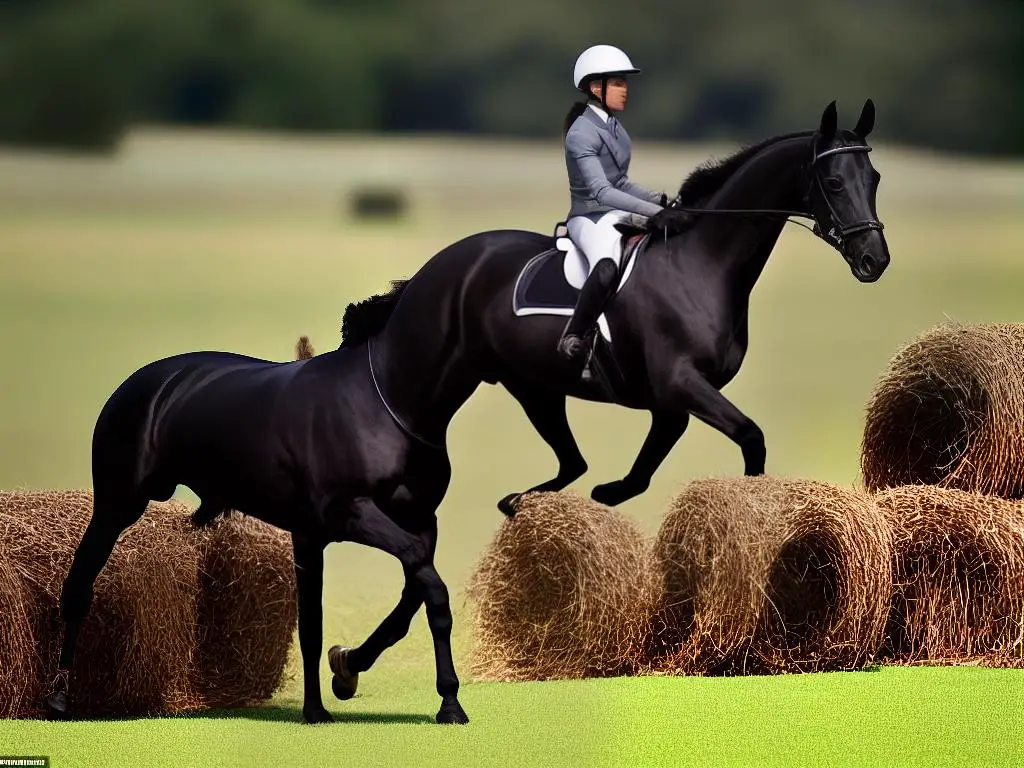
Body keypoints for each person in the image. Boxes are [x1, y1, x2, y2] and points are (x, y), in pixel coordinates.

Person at [557, 44, 693, 378]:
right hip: (589, 219)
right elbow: (602, 191)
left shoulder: (617, 130)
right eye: (618, 83)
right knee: (605, 268)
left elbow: (621, 183)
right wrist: (652, 213)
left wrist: (662, 200)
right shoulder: (581, 133)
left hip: (614, 214)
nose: (625, 89)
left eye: (624, 82)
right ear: (595, 88)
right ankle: (575, 336)